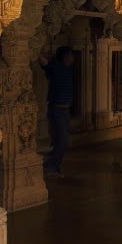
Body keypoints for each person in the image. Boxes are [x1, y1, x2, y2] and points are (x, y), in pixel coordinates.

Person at [39, 46, 74, 178]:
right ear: (65, 57)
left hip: (65, 110)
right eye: (70, 55)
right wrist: (49, 55)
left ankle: (54, 167)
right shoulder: (55, 68)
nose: (72, 58)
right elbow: (42, 60)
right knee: (61, 140)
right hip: (57, 110)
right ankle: (50, 167)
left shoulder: (68, 70)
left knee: (62, 140)